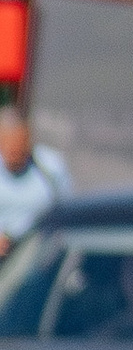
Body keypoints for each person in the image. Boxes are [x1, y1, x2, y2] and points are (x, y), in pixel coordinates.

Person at [0, 104, 71, 245]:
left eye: (18, 144)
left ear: (28, 141)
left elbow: (67, 212)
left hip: (39, 251)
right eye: (8, 144)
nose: (13, 151)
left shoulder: (51, 167)